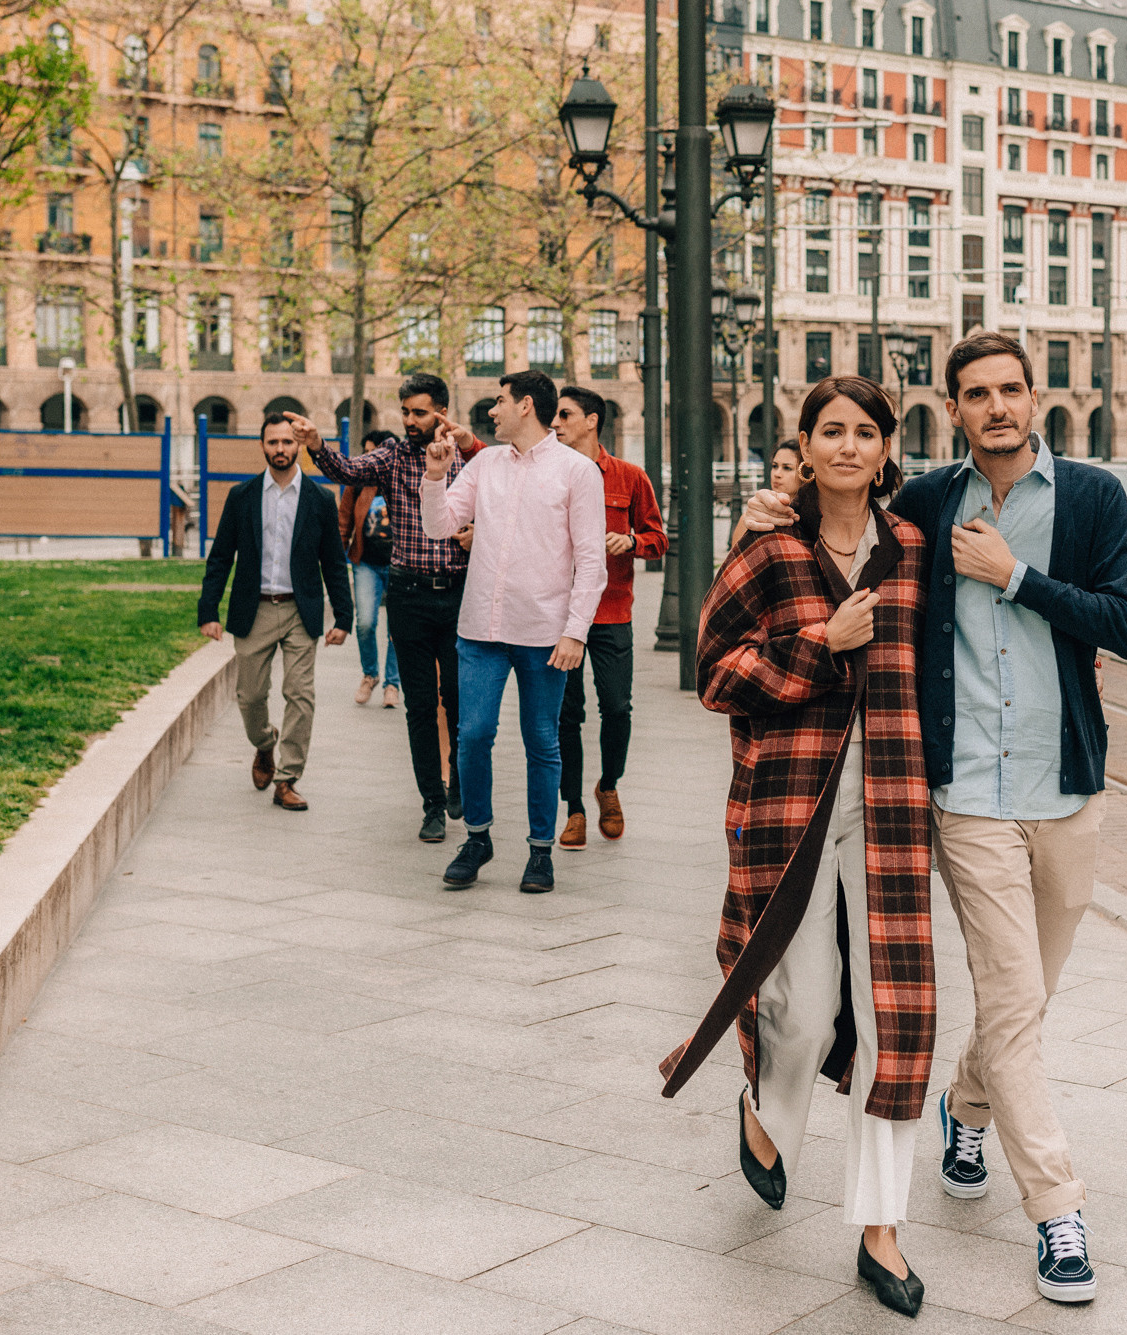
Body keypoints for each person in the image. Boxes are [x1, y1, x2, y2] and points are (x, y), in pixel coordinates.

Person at [739, 332, 1127, 1303]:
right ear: (951, 410)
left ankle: (966, 1109)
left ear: (1034, 397)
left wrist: (1015, 578)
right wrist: (765, 514)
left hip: (1066, 792)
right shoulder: (924, 504)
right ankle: (1056, 1213)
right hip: (964, 800)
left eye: (1010, 390)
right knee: (1012, 1006)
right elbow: (836, 516)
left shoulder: (1092, 498)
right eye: (976, 395)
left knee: (1025, 1001)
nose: (996, 406)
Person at [659, 377, 933, 1318]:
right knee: (806, 1012)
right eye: (831, 431)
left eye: (866, 432)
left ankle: (881, 1227)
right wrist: (820, 643)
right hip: (789, 807)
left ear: (888, 447)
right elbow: (710, 671)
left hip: (893, 805)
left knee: (895, 1014)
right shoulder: (767, 550)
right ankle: (765, 1111)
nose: (849, 446)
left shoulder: (912, 550)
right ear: (803, 446)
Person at [419, 370, 606, 894]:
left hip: (545, 631)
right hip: (480, 626)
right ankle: (477, 837)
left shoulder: (577, 472)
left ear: (526, 405)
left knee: (542, 741)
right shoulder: (484, 463)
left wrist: (576, 632)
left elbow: (592, 561)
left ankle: (540, 851)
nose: (491, 411)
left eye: (499, 402)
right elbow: (439, 527)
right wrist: (436, 476)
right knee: (472, 735)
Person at [291, 374, 470, 844]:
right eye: (405, 412)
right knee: (417, 706)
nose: (410, 421)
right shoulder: (392, 456)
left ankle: (460, 780)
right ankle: (432, 802)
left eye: (420, 412)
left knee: (457, 700)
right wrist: (317, 445)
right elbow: (347, 470)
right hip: (409, 595)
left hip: (458, 594)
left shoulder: (467, 457)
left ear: (442, 412)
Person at [198, 412, 353, 812]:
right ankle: (265, 744)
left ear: (298, 445)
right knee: (249, 697)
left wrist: (344, 617)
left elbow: (334, 563)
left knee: (300, 695)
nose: (280, 449)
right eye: (273, 443)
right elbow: (220, 558)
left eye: (287, 442)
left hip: (301, 610)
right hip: (255, 610)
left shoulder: (320, 499)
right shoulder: (242, 497)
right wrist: (208, 610)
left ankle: (288, 778)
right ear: (262, 445)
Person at [551, 385, 666, 851]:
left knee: (617, 707)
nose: (555, 423)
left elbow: (657, 537)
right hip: (558, 616)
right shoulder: (550, 475)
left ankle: (609, 785)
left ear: (592, 420)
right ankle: (574, 810)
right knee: (566, 716)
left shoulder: (629, 477)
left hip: (613, 610)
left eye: (564, 414)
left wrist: (632, 543)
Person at [339, 429, 403, 709]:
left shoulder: (404, 481)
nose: (366, 457)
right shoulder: (357, 483)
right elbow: (344, 522)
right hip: (366, 563)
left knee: (397, 629)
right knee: (365, 622)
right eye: (364, 451)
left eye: (371, 451)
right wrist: (336, 555)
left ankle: (392, 683)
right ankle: (370, 674)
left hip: (401, 566)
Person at [728, 440, 802, 547]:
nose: (777, 474)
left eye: (787, 468)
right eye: (774, 466)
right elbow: (734, 561)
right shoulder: (752, 519)